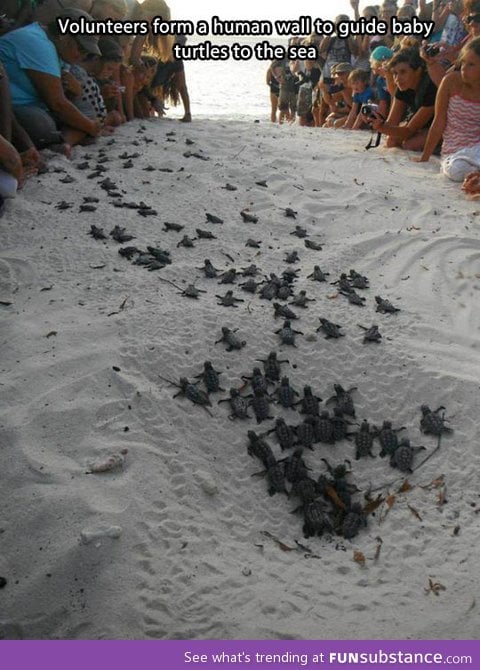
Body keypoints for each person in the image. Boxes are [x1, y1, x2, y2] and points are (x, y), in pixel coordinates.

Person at [0, 8, 101, 152]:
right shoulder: (37, 42)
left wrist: (75, 93)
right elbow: (57, 103)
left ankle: (64, 144)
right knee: (41, 126)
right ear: (63, 35)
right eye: (81, 49)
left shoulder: (55, 47)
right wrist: (91, 127)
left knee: (85, 112)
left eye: (86, 52)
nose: (81, 56)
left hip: (37, 107)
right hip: (12, 110)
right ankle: (65, 139)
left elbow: (67, 97)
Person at [418, 36, 480, 181]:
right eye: (463, 62)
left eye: (471, 64)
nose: (464, 68)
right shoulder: (450, 81)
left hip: (478, 149)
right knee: (456, 170)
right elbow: (439, 122)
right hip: (455, 153)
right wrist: (424, 157)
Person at [370, 47, 437, 150]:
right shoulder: (403, 87)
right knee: (391, 141)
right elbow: (391, 122)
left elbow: (409, 130)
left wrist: (381, 127)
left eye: (403, 72)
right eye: (395, 73)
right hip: (421, 125)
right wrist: (376, 120)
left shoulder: (430, 87)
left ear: (418, 71)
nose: (397, 79)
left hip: (441, 126)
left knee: (410, 145)